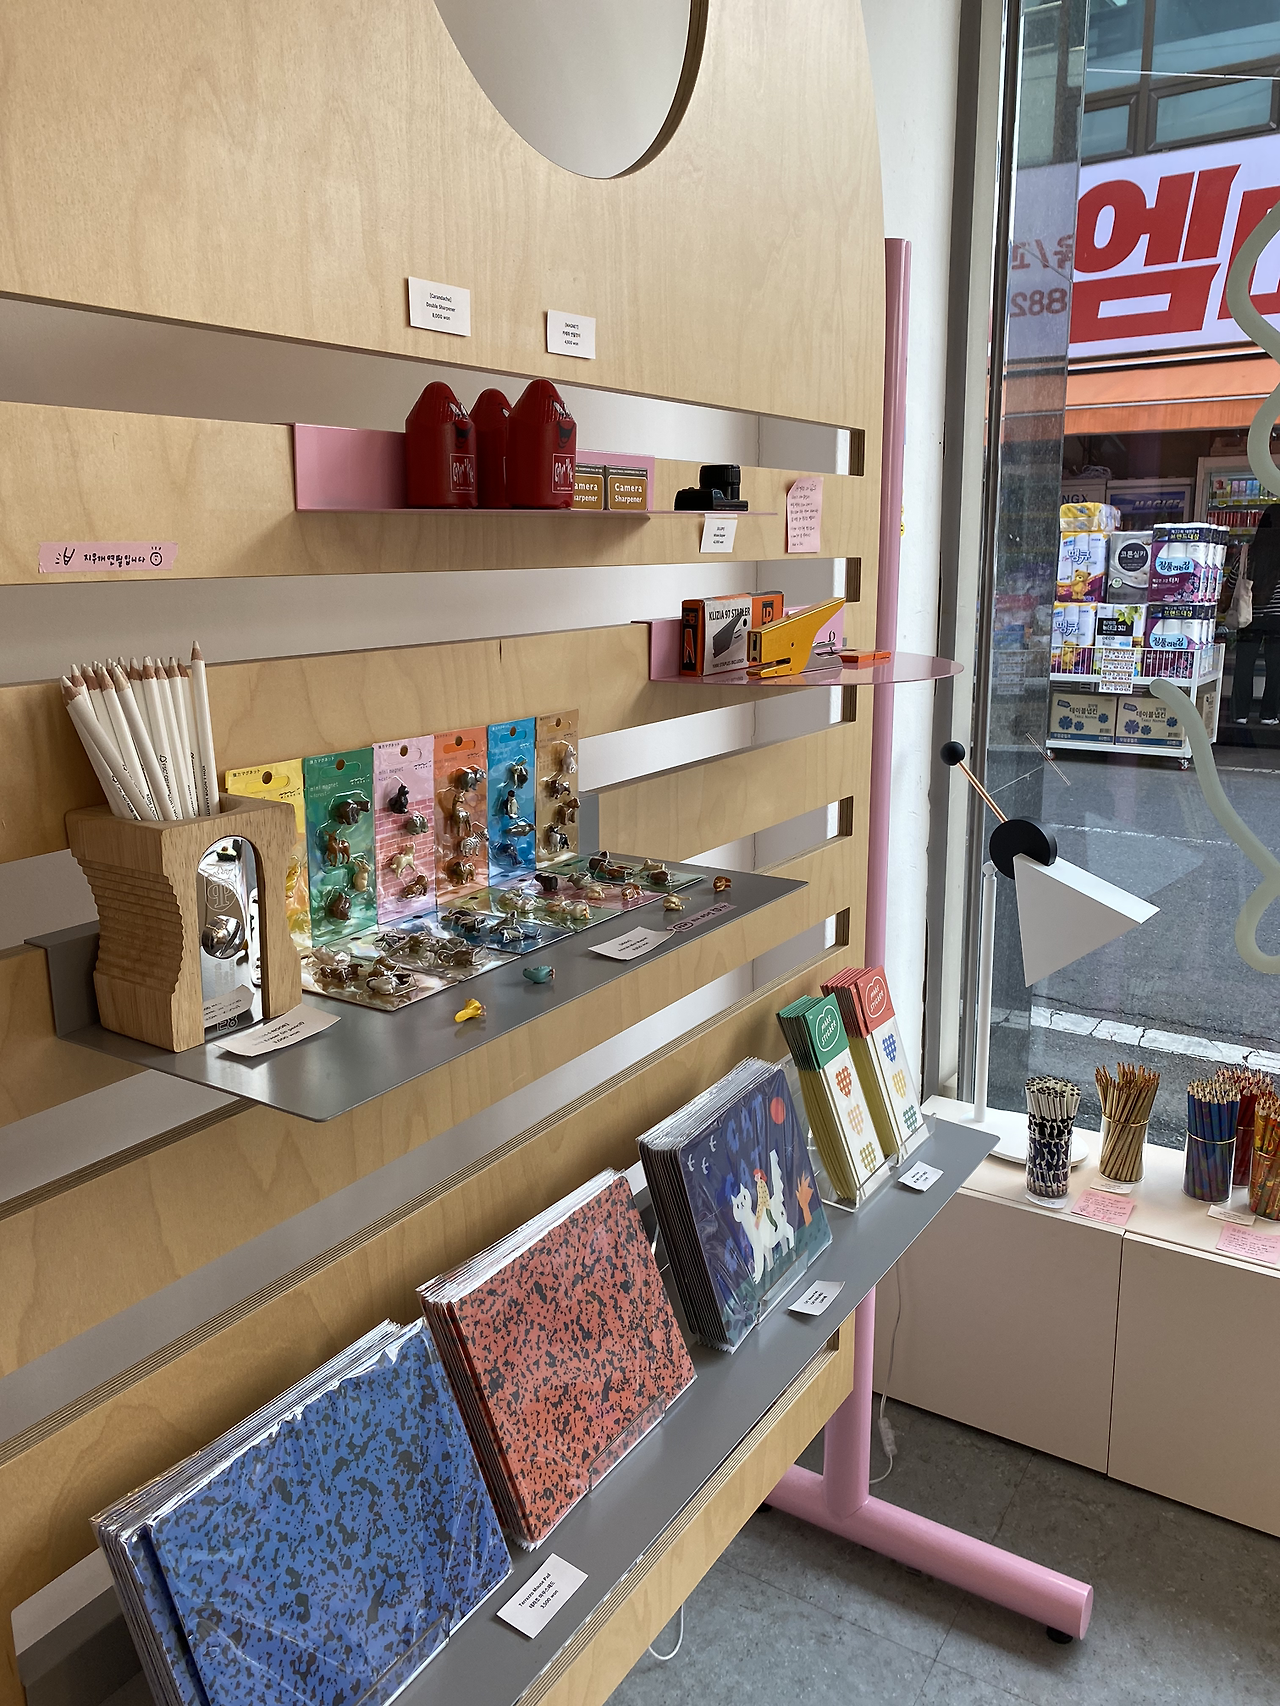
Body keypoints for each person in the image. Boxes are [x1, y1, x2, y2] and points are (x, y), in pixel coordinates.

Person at [1230, 506, 1280, 724]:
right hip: (1278, 619)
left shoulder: (1247, 553)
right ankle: (1269, 714)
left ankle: (1240, 714)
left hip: (1249, 616)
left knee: (1244, 664)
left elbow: (1233, 581)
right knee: (1276, 667)